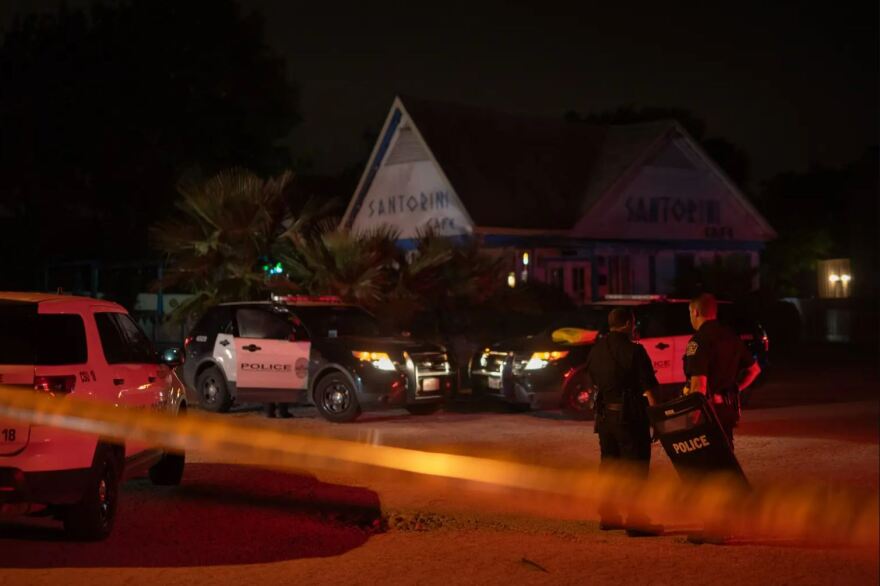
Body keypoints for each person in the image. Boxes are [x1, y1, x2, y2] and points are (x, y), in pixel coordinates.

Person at [586, 307, 662, 537]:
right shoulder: (635, 351)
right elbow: (649, 389)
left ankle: (608, 515)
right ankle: (636, 520)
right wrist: (658, 421)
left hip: (605, 418)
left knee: (609, 466)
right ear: (629, 324)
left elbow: (594, 381)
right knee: (636, 468)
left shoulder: (595, 351)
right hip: (630, 418)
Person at [683, 293, 761, 449]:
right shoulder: (731, 336)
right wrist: (736, 389)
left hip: (707, 413)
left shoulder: (699, 340)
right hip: (727, 410)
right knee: (725, 454)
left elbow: (699, 385)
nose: (690, 317)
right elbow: (755, 370)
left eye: (690, 312)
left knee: (705, 463)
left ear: (696, 312)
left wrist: (692, 418)